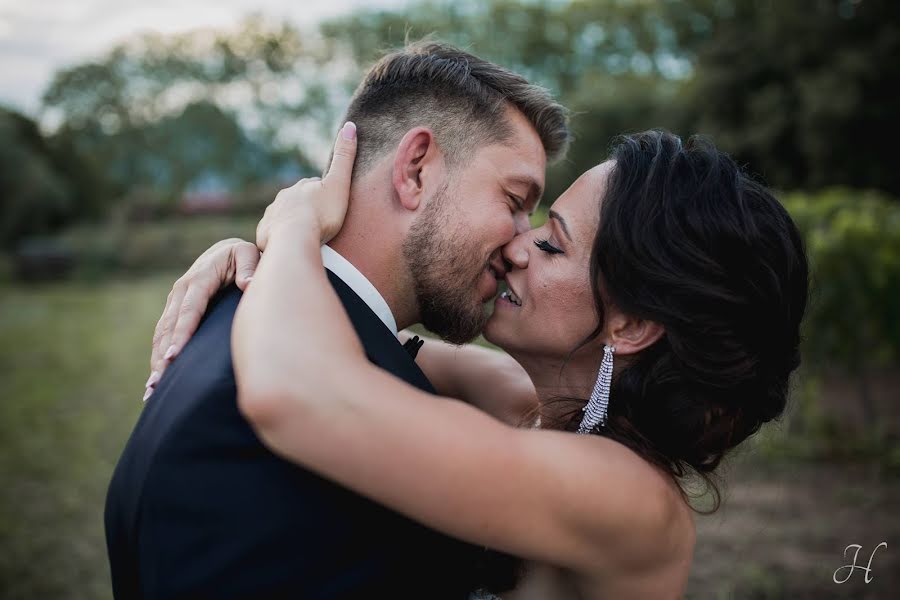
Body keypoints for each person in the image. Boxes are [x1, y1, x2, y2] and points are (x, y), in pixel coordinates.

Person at [151, 127, 809, 598]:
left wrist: (293, 224)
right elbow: (357, 336)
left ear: (632, 323)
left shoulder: (629, 499)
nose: (518, 245)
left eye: (554, 245)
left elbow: (299, 393)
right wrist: (244, 257)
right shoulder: (523, 403)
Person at [105, 40, 568, 599]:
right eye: (516, 201)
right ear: (416, 170)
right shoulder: (241, 417)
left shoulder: (284, 334)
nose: (523, 242)